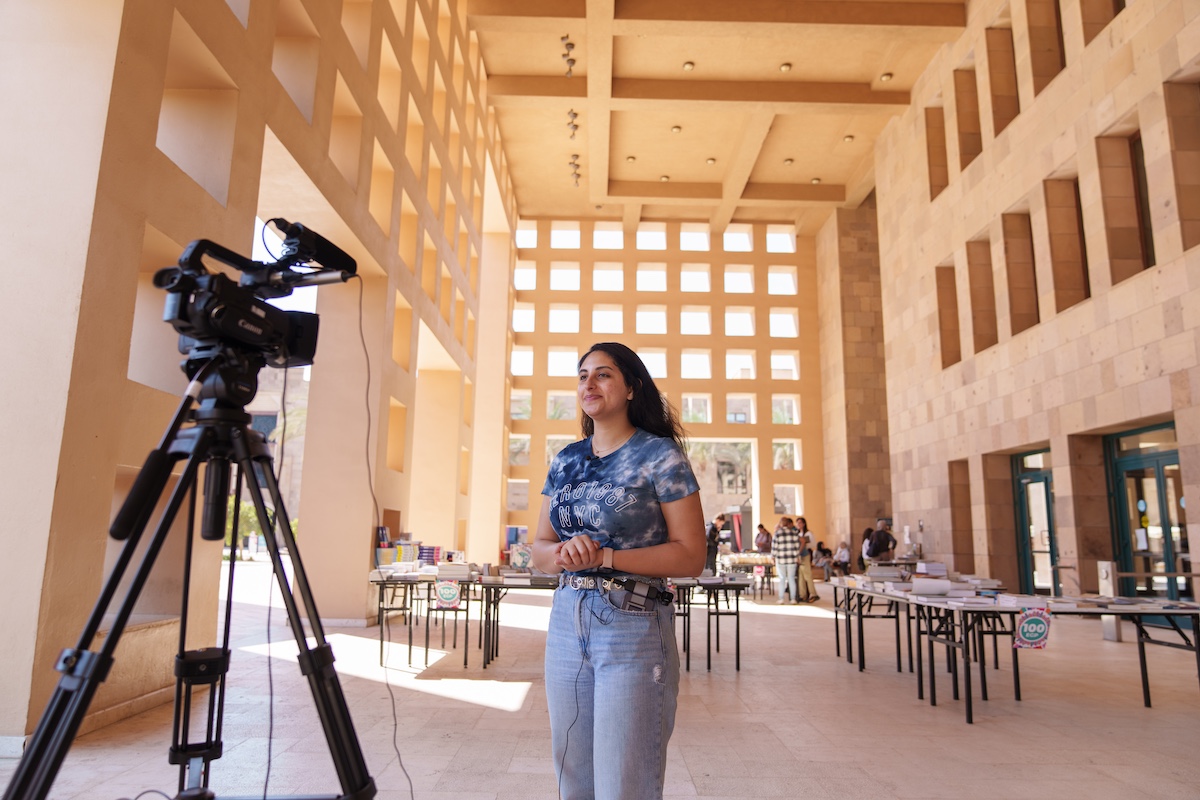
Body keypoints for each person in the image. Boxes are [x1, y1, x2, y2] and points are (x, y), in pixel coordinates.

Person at [532, 342, 705, 800]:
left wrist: (604, 557)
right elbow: (539, 550)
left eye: (603, 374)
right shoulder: (566, 459)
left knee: (623, 780)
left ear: (631, 387)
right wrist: (566, 554)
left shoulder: (659, 455)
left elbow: (691, 556)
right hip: (567, 619)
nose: (589, 383)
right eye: (583, 375)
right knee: (574, 776)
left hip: (632, 622)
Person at [772, 517, 801, 603]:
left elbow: (774, 547)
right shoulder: (794, 533)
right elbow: (797, 548)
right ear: (788, 524)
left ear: (781, 523)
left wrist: (773, 557)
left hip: (781, 560)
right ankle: (793, 599)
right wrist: (797, 558)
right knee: (791, 579)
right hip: (792, 560)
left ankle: (781, 598)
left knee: (782, 579)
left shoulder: (777, 533)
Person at [796, 517, 818, 602]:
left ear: (804, 524)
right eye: (797, 523)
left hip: (806, 553)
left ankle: (813, 593)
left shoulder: (808, 533)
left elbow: (813, 544)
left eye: (800, 523)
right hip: (799, 555)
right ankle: (802, 594)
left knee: (807, 575)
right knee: (801, 576)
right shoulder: (797, 533)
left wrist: (804, 543)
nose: (799, 524)